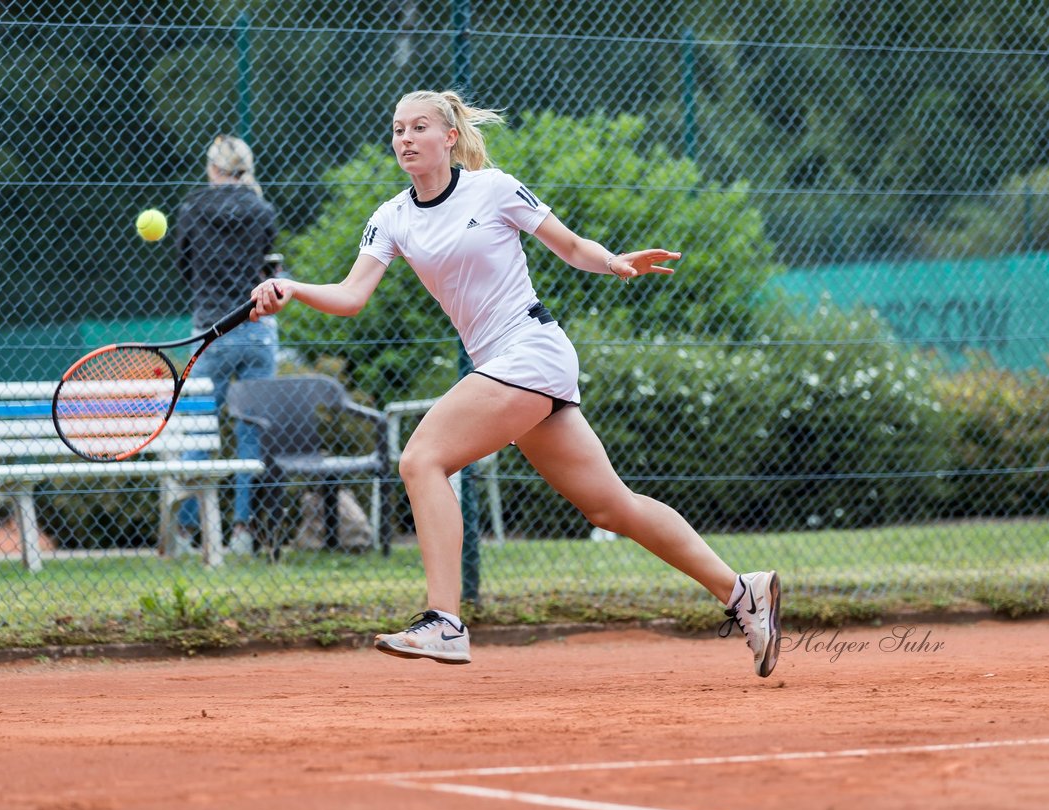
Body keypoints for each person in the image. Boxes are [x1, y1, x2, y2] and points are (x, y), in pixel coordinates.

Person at [248, 90, 781, 675]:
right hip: (499, 364)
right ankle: (742, 592)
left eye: (418, 127)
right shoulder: (391, 217)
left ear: (449, 136)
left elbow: (571, 246)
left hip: (532, 350)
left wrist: (614, 261)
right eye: (397, 128)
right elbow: (351, 296)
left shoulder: (493, 188)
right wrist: (294, 289)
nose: (404, 138)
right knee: (611, 508)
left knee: (420, 460)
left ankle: (444, 621)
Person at [175, 134, 278, 556]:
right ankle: (242, 533)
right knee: (250, 432)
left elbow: (184, 265)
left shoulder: (191, 208)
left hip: (212, 331)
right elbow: (267, 257)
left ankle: (182, 533)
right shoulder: (262, 209)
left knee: (199, 431)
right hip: (256, 328)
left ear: (213, 167)